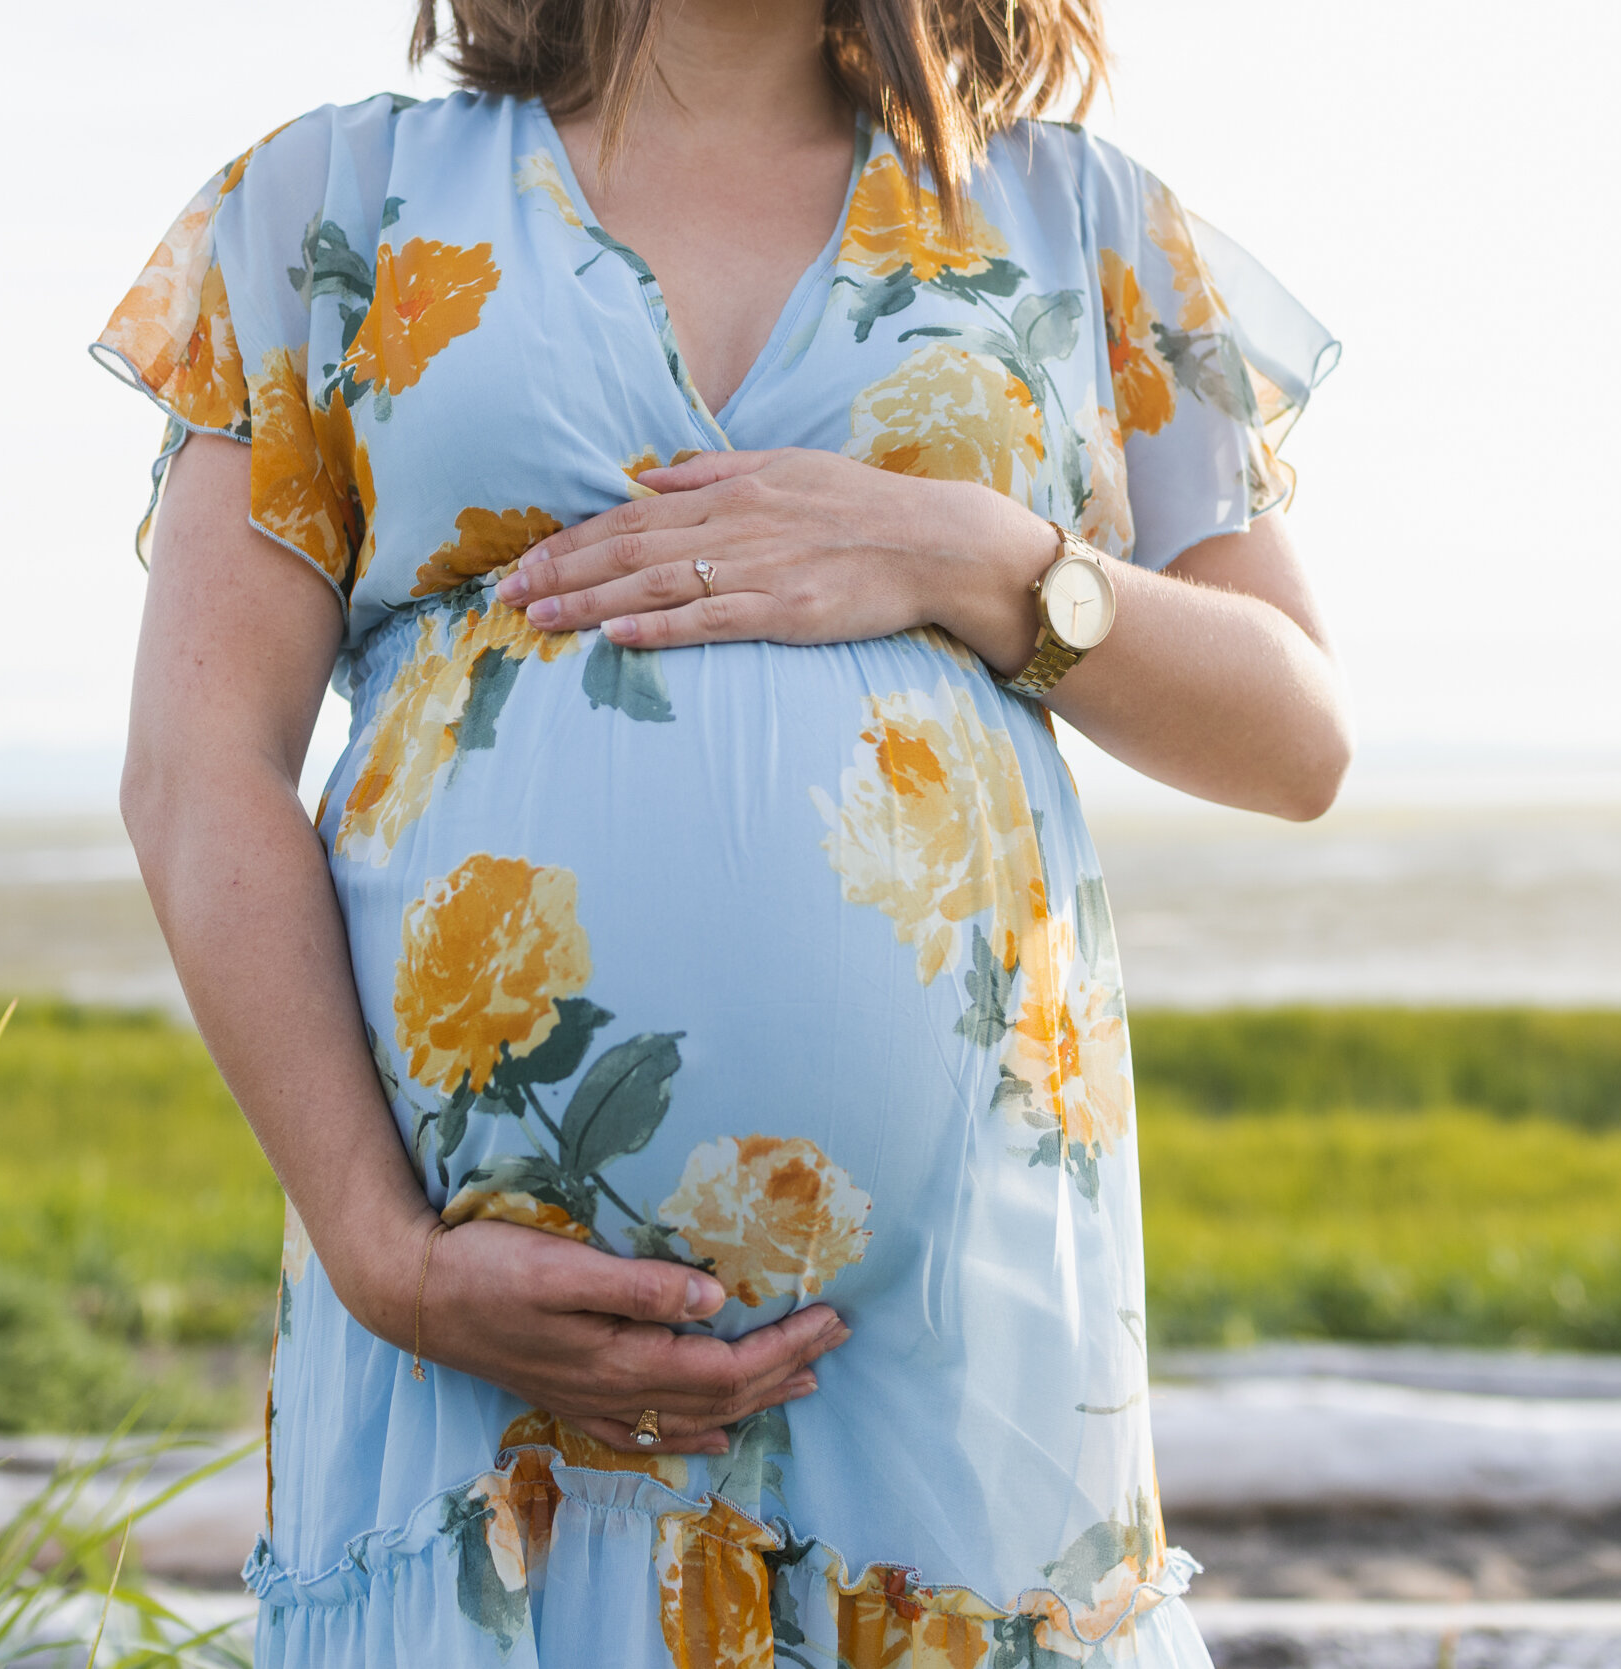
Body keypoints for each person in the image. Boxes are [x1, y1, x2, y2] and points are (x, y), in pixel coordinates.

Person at [97, 0, 1346, 1660]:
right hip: (483, 1377)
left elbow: (1293, 732)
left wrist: (974, 556)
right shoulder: (329, 210)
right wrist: (388, 1256)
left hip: (941, 1362)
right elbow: (198, 772)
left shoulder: (1079, 222)